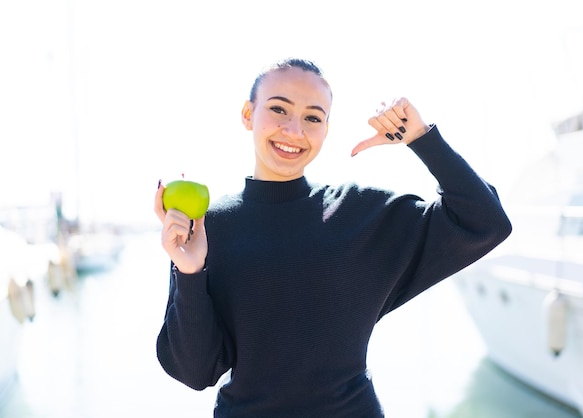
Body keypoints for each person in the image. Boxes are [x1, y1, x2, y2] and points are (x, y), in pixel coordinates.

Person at [153, 57, 512, 418]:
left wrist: (422, 139)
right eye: (279, 109)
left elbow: (486, 222)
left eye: (312, 117)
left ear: (326, 128)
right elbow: (195, 373)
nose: (294, 130)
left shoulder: (361, 213)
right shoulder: (208, 228)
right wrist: (190, 270)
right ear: (248, 114)